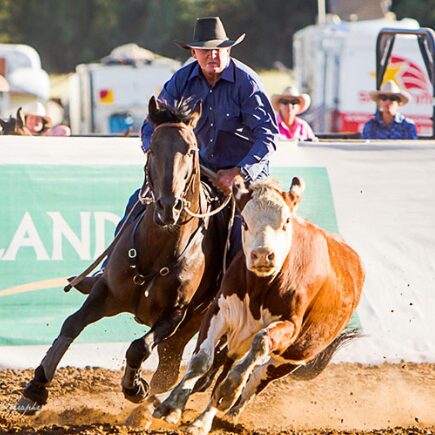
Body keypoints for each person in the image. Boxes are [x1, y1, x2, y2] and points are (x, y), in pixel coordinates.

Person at [75, 16, 278, 290]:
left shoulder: (246, 82)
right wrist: (156, 151)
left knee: (244, 229)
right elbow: (152, 124)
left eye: (218, 50)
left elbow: (268, 134)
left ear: (229, 50)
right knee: (139, 201)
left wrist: (240, 171)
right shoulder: (182, 80)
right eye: (205, 50)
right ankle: (108, 273)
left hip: (243, 175)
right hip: (196, 171)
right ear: (194, 53)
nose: (212, 56)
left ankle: (239, 291)